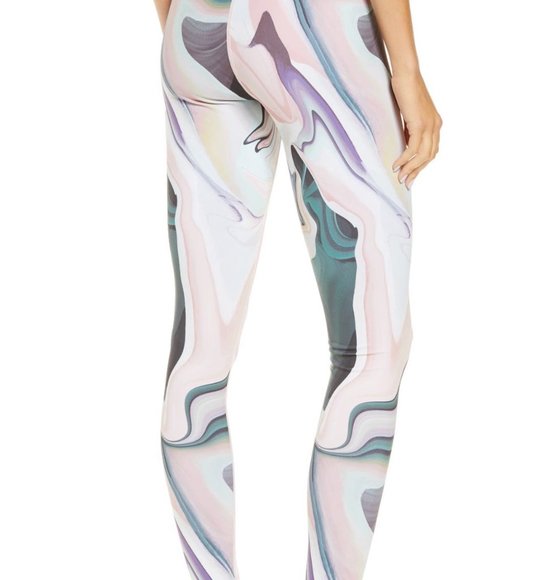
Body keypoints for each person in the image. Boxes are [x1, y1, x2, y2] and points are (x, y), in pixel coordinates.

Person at [153, 0, 442, 577]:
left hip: (197, 24)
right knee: (371, 354)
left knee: (200, 352)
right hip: (316, 31)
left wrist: (189, 30)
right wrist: (407, 72)